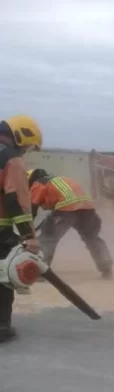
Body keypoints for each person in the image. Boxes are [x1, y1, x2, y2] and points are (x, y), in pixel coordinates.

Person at [0, 114, 43, 343]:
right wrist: (29, 236)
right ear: (20, 135)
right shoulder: (10, 158)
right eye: (27, 146)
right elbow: (15, 198)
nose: (26, 151)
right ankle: (1, 328)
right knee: (2, 277)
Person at [27, 168, 113, 279]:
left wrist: (27, 229)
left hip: (66, 209)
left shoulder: (38, 183)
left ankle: (40, 270)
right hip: (87, 209)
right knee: (92, 237)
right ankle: (106, 267)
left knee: (48, 238)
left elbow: (32, 208)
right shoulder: (62, 180)